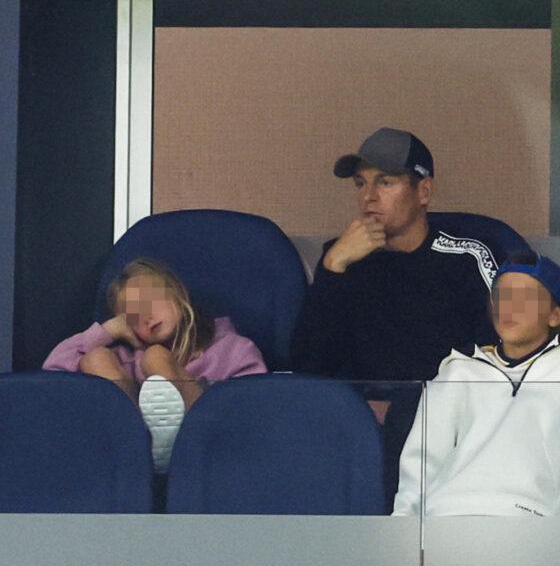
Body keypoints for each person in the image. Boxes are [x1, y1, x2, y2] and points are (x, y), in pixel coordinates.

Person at [290, 127, 505, 507]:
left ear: (423, 192)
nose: (368, 198)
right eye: (360, 184)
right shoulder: (340, 257)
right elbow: (308, 366)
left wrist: (418, 410)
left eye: (385, 182)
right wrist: (334, 267)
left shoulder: (468, 256)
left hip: (452, 429)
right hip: (355, 429)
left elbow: (507, 355)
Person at [43, 257, 267, 472]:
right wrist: (107, 331)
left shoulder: (232, 348)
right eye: (133, 316)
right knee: (96, 358)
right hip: (133, 458)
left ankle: (175, 437)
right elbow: (53, 370)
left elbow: (254, 409)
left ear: (177, 293)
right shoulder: (126, 358)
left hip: (209, 447)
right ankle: (138, 438)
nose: (147, 316)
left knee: (156, 357)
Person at [393, 250, 560, 517]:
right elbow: (421, 466)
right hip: (445, 518)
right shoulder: (458, 370)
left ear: (555, 316)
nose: (508, 307)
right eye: (501, 297)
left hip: (531, 525)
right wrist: (404, 534)